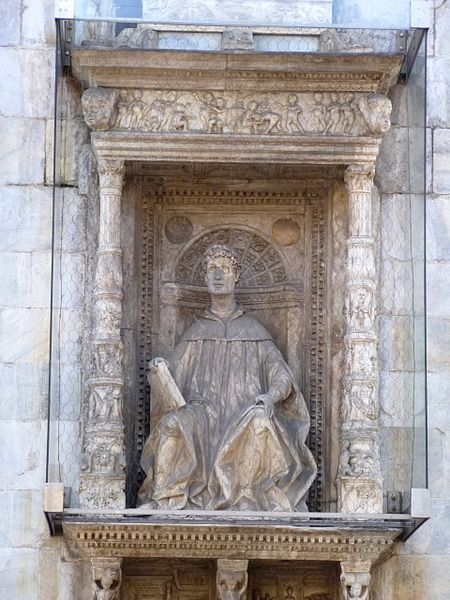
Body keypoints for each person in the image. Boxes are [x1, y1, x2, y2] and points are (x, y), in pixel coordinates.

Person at [138, 244, 316, 511]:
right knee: (172, 424)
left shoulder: (253, 330)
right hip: (202, 415)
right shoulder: (197, 330)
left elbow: (282, 376)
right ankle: (167, 498)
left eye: (224, 269)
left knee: (259, 421)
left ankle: (246, 498)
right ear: (205, 279)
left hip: (243, 414)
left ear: (236, 277)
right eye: (212, 270)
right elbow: (170, 379)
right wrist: (159, 368)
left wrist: (269, 397)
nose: (218, 275)